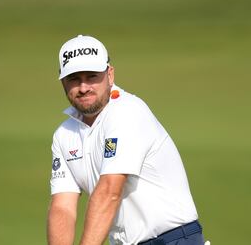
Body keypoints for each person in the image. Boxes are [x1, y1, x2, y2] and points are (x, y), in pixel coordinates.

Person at [47, 35, 205, 245]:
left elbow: (110, 191)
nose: (83, 87)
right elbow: (62, 207)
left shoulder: (127, 111)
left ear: (110, 75)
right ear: (62, 81)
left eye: (92, 76)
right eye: (74, 79)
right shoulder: (64, 134)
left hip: (174, 240)